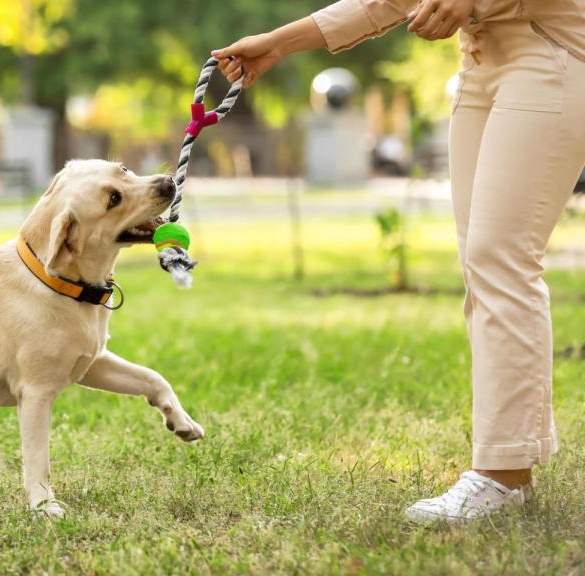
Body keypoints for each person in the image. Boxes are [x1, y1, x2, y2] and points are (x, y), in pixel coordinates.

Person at [212, 0, 585, 523]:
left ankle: (501, 475)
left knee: (500, 259)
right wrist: (277, 43)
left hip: (552, 52)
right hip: (480, 62)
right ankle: (511, 465)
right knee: (482, 267)